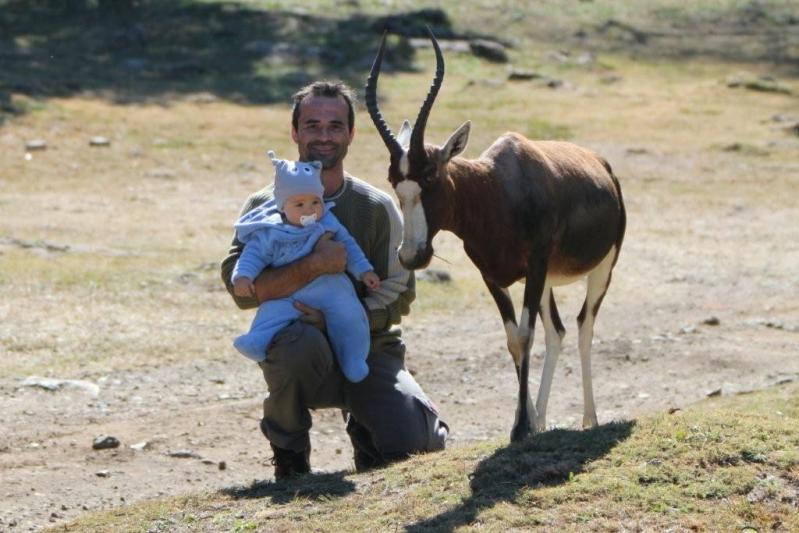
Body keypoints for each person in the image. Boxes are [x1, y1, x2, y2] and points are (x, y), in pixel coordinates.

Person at [220, 81, 448, 480]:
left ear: (351, 134)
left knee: (419, 445)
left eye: (335, 125)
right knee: (295, 344)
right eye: (312, 124)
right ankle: (290, 456)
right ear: (295, 133)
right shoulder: (262, 207)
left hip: (371, 348)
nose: (323, 135)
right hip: (300, 347)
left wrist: (346, 318)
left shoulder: (376, 207)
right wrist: (314, 266)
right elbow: (239, 289)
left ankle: (369, 429)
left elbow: (400, 293)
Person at [230, 150, 380, 383]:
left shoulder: (327, 221)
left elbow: (348, 247)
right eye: (299, 204)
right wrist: (243, 276)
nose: (309, 210)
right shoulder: (270, 231)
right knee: (271, 313)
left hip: (330, 288)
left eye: (315, 202)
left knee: (349, 315)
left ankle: (354, 358)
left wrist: (364, 270)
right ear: (282, 207)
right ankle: (256, 342)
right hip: (291, 293)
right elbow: (252, 255)